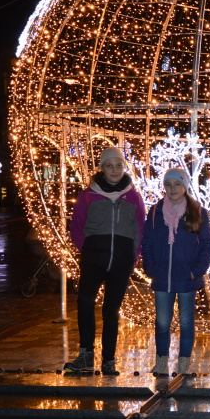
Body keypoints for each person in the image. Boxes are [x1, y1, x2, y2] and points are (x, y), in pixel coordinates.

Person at [65, 146, 146, 374]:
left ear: (124, 167)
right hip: (94, 260)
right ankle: (85, 355)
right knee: (85, 303)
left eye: (119, 165)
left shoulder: (133, 196)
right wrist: (88, 250)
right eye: (109, 166)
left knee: (111, 310)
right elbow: (76, 227)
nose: (114, 170)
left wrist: (133, 256)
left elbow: (140, 229)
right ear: (102, 168)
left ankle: (108, 360)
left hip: (121, 262)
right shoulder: (87, 195)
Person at [141, 168, 210, 375]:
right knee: (162, 322)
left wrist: (196, 271)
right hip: (162, 276)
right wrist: (151, 268)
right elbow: (147, 242)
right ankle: (161, 361)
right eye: (168, 184)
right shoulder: (155, 212)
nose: (172, 188)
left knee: (186, 322)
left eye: (177, 184)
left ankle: (184, 362)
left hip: (187, 277)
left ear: (185, 186)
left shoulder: (197, 211)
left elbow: (208, 244)